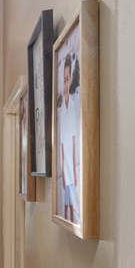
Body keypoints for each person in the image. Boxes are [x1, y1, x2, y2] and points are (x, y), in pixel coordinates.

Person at [58, 52, 81, 222]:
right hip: (63, 162)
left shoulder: (73, 106)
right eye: (63, 81)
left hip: (70, 164)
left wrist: (72, 168)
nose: (66, 84)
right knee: (65, 202)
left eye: (67, 80)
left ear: (71, 78)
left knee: (72, 201)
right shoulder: (60, 111)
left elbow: (73, 140)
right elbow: (60, 143)